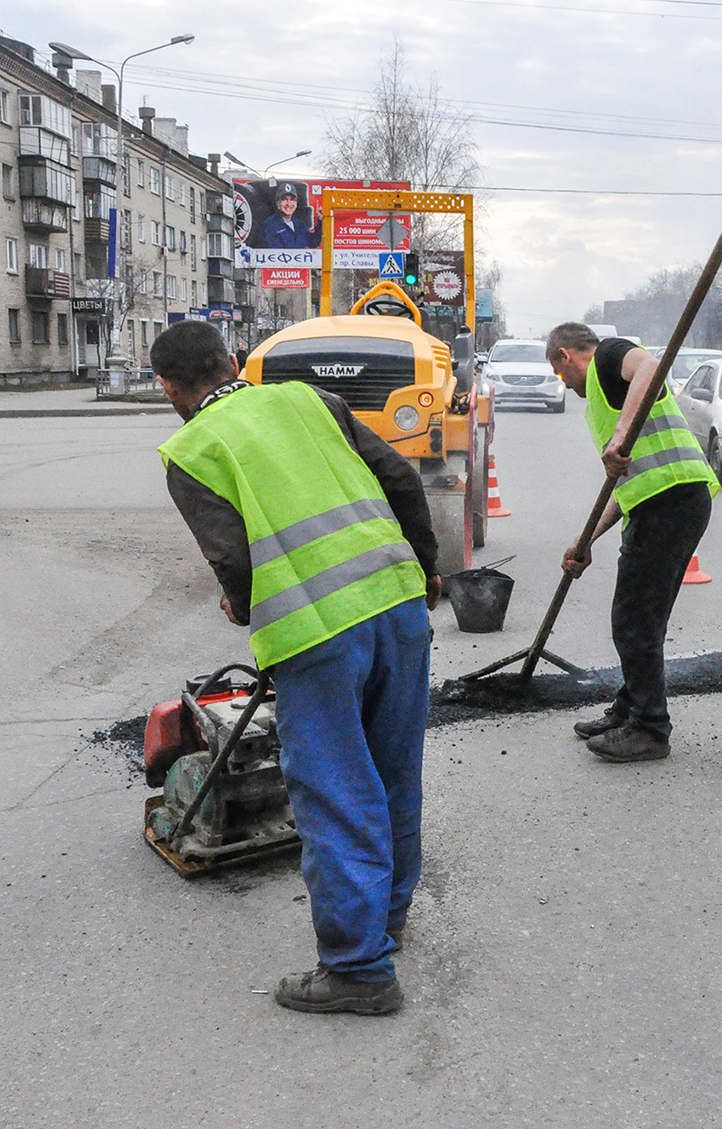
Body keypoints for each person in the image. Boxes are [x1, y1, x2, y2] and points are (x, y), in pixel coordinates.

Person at [151, 321, 443, 1015]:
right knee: (393, 766)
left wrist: (239, 601)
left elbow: (238, 566)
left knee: (337, 788)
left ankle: (357, 967)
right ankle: (388, 915)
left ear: (169, 386)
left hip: (318, 631)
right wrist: (422, 573)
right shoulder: (311, 400)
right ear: (230, 361)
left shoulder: (191, 448)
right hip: (398, 604)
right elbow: (401, 479)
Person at [545, 323, 719, 763]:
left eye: (561, 374)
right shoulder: (605, 400)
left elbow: (651, 366)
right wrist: (585, 541)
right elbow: (631, 484)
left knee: (634, 619)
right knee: (641, 617)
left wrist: (621, 434)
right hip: (664, 501)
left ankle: (649, 728)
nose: (566, 385)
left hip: (672, 502)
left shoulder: (606, 357)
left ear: (566, 356)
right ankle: (629, 709)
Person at [261, 185, 315, 250]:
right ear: (277, 203)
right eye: (284, 199)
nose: (288, 203)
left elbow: (313, 243)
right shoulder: (270, 225)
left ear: (296, 203)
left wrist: (321, 221)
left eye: (292, 199)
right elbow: (275, 254)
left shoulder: (299, 224)